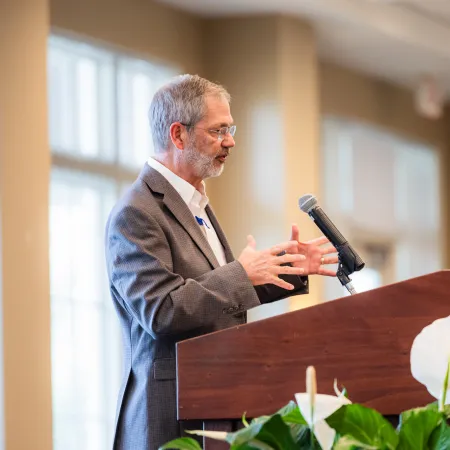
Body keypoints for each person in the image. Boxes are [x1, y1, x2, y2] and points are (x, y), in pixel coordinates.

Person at [105, 74, 338, 450]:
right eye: (218, 131)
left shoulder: (195, 202)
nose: (230, 141)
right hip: (168, 415)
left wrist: (286, 266)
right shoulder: (136, 213)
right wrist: (240, 274)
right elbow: (161, 311)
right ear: (178, 135)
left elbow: (213, 292)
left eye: (231, 128)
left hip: (215, 403)